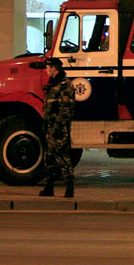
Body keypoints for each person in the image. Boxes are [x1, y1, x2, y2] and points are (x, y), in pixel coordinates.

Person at [40, 58, 76, 198]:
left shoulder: (64, 84)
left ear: (54, 68)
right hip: (50, 126)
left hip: (59, 128)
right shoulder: (53, 83)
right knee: (49, 157)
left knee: (61, 156)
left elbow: (66, 108)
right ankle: (49, 187)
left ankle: (69, 186)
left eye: (48, 67)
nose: (46, 70)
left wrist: (58, 127)